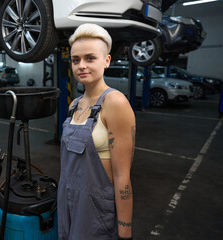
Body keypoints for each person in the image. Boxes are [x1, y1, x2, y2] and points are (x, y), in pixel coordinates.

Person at [57, 23, 136, 240]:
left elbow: (122, 176)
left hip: (96, 212)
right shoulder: (75, 104)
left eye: (90, 58)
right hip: (68, 202)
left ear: (106, 61)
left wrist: (124, 232)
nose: (81, 65)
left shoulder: (115, 103)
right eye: (76, 60)